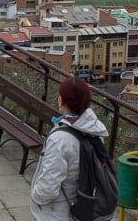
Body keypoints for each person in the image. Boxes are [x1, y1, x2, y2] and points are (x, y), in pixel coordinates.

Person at [30, 76, 109, 220]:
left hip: (57, 213)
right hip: (83, 208)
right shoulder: (95, 132)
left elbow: (49, 186)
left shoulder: (60, 139)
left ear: (62, 100)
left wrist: (35, 195)